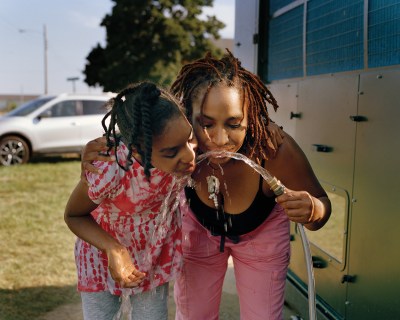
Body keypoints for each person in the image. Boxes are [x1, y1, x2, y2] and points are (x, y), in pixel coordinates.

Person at [81, 50, 331, 320]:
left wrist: (313, 209)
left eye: (234, 124)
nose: (220, 139)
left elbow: (320, 210)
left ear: (251, 119)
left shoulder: (271, 149)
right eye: (206, 123)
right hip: (198, 232)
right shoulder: (180, 145)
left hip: (262, 239)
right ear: (186, 114)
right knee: (194, 315)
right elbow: (140, 139)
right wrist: (94, 152)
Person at [64, 81, 197, 320]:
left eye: (190, 139)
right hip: (101, 260)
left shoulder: (184, 161)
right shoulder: (110, 168)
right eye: (172, 151)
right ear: (137, 150)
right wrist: (114, 249)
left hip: (150, 259)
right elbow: (73, 215)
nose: (189, 155)